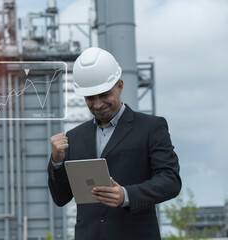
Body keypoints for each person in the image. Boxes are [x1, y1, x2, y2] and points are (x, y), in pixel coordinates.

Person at [47, 47, 181, 239]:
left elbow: (171, 181)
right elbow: (61, 198)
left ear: (120, 86)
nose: (98, 104)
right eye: (90, 98)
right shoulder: (74, 137)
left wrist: (126, 195)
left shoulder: (151, 127)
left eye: (104, 94)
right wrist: (57, 162)